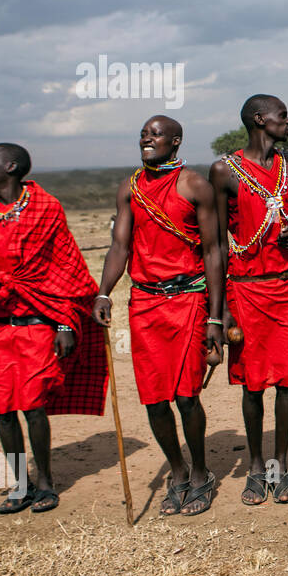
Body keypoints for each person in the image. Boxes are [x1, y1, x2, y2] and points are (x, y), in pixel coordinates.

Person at [0, 143, 108, 514]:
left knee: (34, 405)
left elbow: (65, 266)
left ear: (10, 167)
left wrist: (64, 322)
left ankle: (45, 482)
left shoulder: (45, 208)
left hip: (38, 324)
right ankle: (20, 485)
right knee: (3, 410)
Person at [93, 116, 224, 516]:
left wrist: (216, 318)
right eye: (143, 134)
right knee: (154, 399)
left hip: (187, 300)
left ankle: (201, 472)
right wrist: (103, 291)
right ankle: (179, 471)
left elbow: (214, 252)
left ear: (176, 141)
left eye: (155, 134)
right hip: (145, 305)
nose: (147, 139)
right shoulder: (130, 188)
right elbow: (120, 246)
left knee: (186, 396)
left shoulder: (194, 185)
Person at [209, 95, 288, 505]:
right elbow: (214, 242)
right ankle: (254, 464)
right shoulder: (223, 171)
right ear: (259, 120)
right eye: (282, 115)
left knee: (287, 380)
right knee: (252, 383)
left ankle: (278, 465)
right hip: (247, 288)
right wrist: (220, 311)